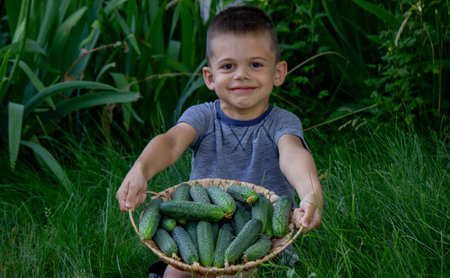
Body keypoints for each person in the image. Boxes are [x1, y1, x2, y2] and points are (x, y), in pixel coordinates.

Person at [116, 5, 323, 278]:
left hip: (263, 235)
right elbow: (170, 142)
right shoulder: (202, 116)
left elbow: (293, 155)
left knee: (238, 273)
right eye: (228, 66)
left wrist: (311, 193)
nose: (241, 74)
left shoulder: (282, 122)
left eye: (256, 64)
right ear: (210, 77)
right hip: (204, 230)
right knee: (175, 274)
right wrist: (141, 169)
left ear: (278, 72)